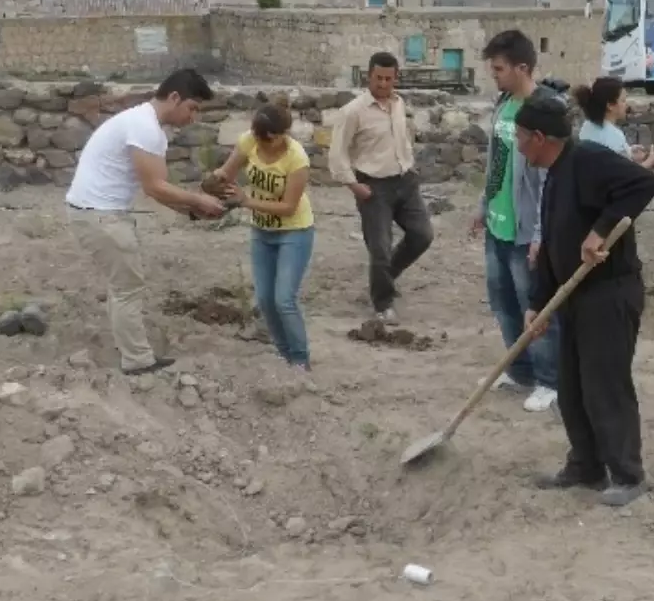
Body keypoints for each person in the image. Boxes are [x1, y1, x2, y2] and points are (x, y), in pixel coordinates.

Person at [515, 95, 654, 508]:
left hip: (610, 294)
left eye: (521, 137)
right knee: (572, 386)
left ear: (540, 137)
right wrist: (537, 300)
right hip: (573, 297)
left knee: (605, 385)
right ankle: (586, 465)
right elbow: (551, 246)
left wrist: (601, 229)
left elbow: (646, 182)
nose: (520, 145)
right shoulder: (555, 175)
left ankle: (629, 474)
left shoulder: (588, 159)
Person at [65, 68, 226, 375]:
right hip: (101, 216)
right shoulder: (145, 128)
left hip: (92, 212)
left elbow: (153, 188)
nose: (193, 117)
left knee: (122, 285)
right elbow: (155, 187)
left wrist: (190, 212)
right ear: (175, 97)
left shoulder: (140, 122)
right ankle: (137, 361)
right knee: (128, 288)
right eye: (192, 108)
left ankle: (129, 349)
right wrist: (198, 200)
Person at [469, 30, 562, 412]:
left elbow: (549, 180)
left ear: (522, 67)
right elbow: (497, 161)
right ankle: (520, 370)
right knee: (503, 302)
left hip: (528, 234)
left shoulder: (545, 111)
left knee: (534, 308)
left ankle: (549, 380)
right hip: (498, 225)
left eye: (500, 69)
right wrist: (482, 205)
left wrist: (542, 232)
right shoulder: (504, 103)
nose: (495, 75)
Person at [329, 52, 434, 324]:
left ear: (395, 78)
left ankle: (386, 278)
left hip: (405, 181)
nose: (384, 84)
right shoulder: (353, 111)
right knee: (380, 248)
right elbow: (337, 154)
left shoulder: (399, 104)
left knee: (422, 235)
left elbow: (403, 139)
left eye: (389, 79)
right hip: (374, 188)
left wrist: (409, 166)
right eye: (379, 78)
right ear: (369, 76)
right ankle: (382, 303)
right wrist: (354, 186)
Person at [213, 104, 315, 371]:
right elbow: (228, 171)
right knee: (266, 300)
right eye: (258, 138)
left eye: (268, 139)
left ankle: (301, 360)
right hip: (262, 231)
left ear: (281, 135)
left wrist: (246, 201)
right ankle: (285, 357)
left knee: (284, 299)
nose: (262, 144)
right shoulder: (249, 141)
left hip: (294, 230)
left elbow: (289, 206)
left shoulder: (297, 158)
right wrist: (215, 181)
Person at [574, 76, 654, 168]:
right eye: (623, 100)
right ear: (610, 105)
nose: (626, 104)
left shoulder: (587, 125)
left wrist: (629, 151)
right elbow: (625, 175)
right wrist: (651, 161)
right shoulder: (613, 136)